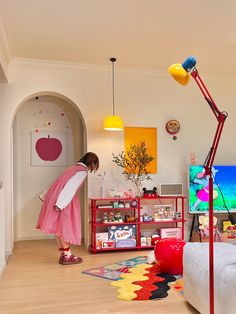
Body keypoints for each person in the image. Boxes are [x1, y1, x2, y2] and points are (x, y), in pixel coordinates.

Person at [36, 152, 99, 265]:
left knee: (58, 228)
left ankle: (64, 254)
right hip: (63, 199)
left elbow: (57, 183)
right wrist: (61, 204)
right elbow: (70, 187)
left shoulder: (73, 168)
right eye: (94, 166)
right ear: (92, 163)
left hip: (55, 196)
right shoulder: (81, 171)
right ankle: (67, 255)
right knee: (65, 227)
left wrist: (45, 195)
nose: (92, 169)